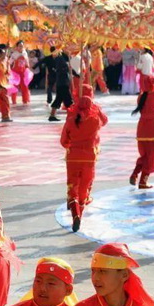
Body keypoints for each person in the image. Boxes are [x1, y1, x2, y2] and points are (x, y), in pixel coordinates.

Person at [60, 85, 108, 232]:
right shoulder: (95, 120)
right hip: (89, 157)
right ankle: (80, 210)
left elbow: (63, 141)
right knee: (84, 187)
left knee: (72, 187)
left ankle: (75, 214)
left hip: (73, 156)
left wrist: (70, 144)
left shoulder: (71, 118)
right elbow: (104, 121)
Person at [130, 48, 154, 189]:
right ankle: (143, 181)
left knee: (144, 155)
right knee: (152, 157)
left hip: (142, 130)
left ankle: (135, 174)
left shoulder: (141, 97)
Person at [49, 50, 73, 121]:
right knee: (68, 100)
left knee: (59, 99)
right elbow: (61, 69)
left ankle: (52, 115)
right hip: (62, 82)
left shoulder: (63, 58)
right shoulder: (61, 59)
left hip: (62, 82)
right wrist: (67, 68)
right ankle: (71, 115)